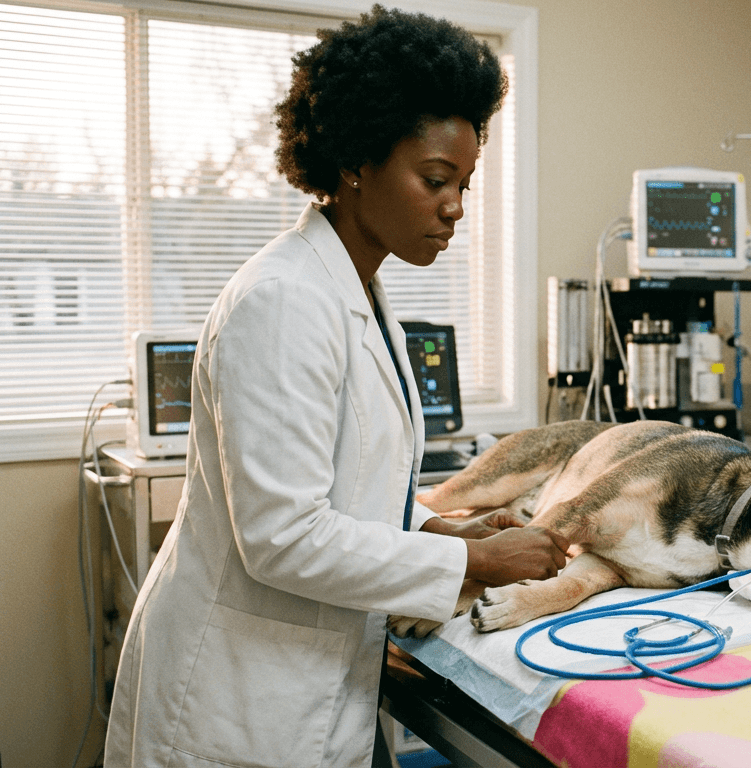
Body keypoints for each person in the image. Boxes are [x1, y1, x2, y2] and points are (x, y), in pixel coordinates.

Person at [104, 7, 569, 767]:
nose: (455, 208)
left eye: (465, 183)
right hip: (235, 697)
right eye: (435, 180)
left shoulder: (358, 291)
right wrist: (476, 564)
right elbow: (283, 536)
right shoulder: (283, 300)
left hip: (312, 685)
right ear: (357, 161)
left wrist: (438, 533)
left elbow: (351, 492)